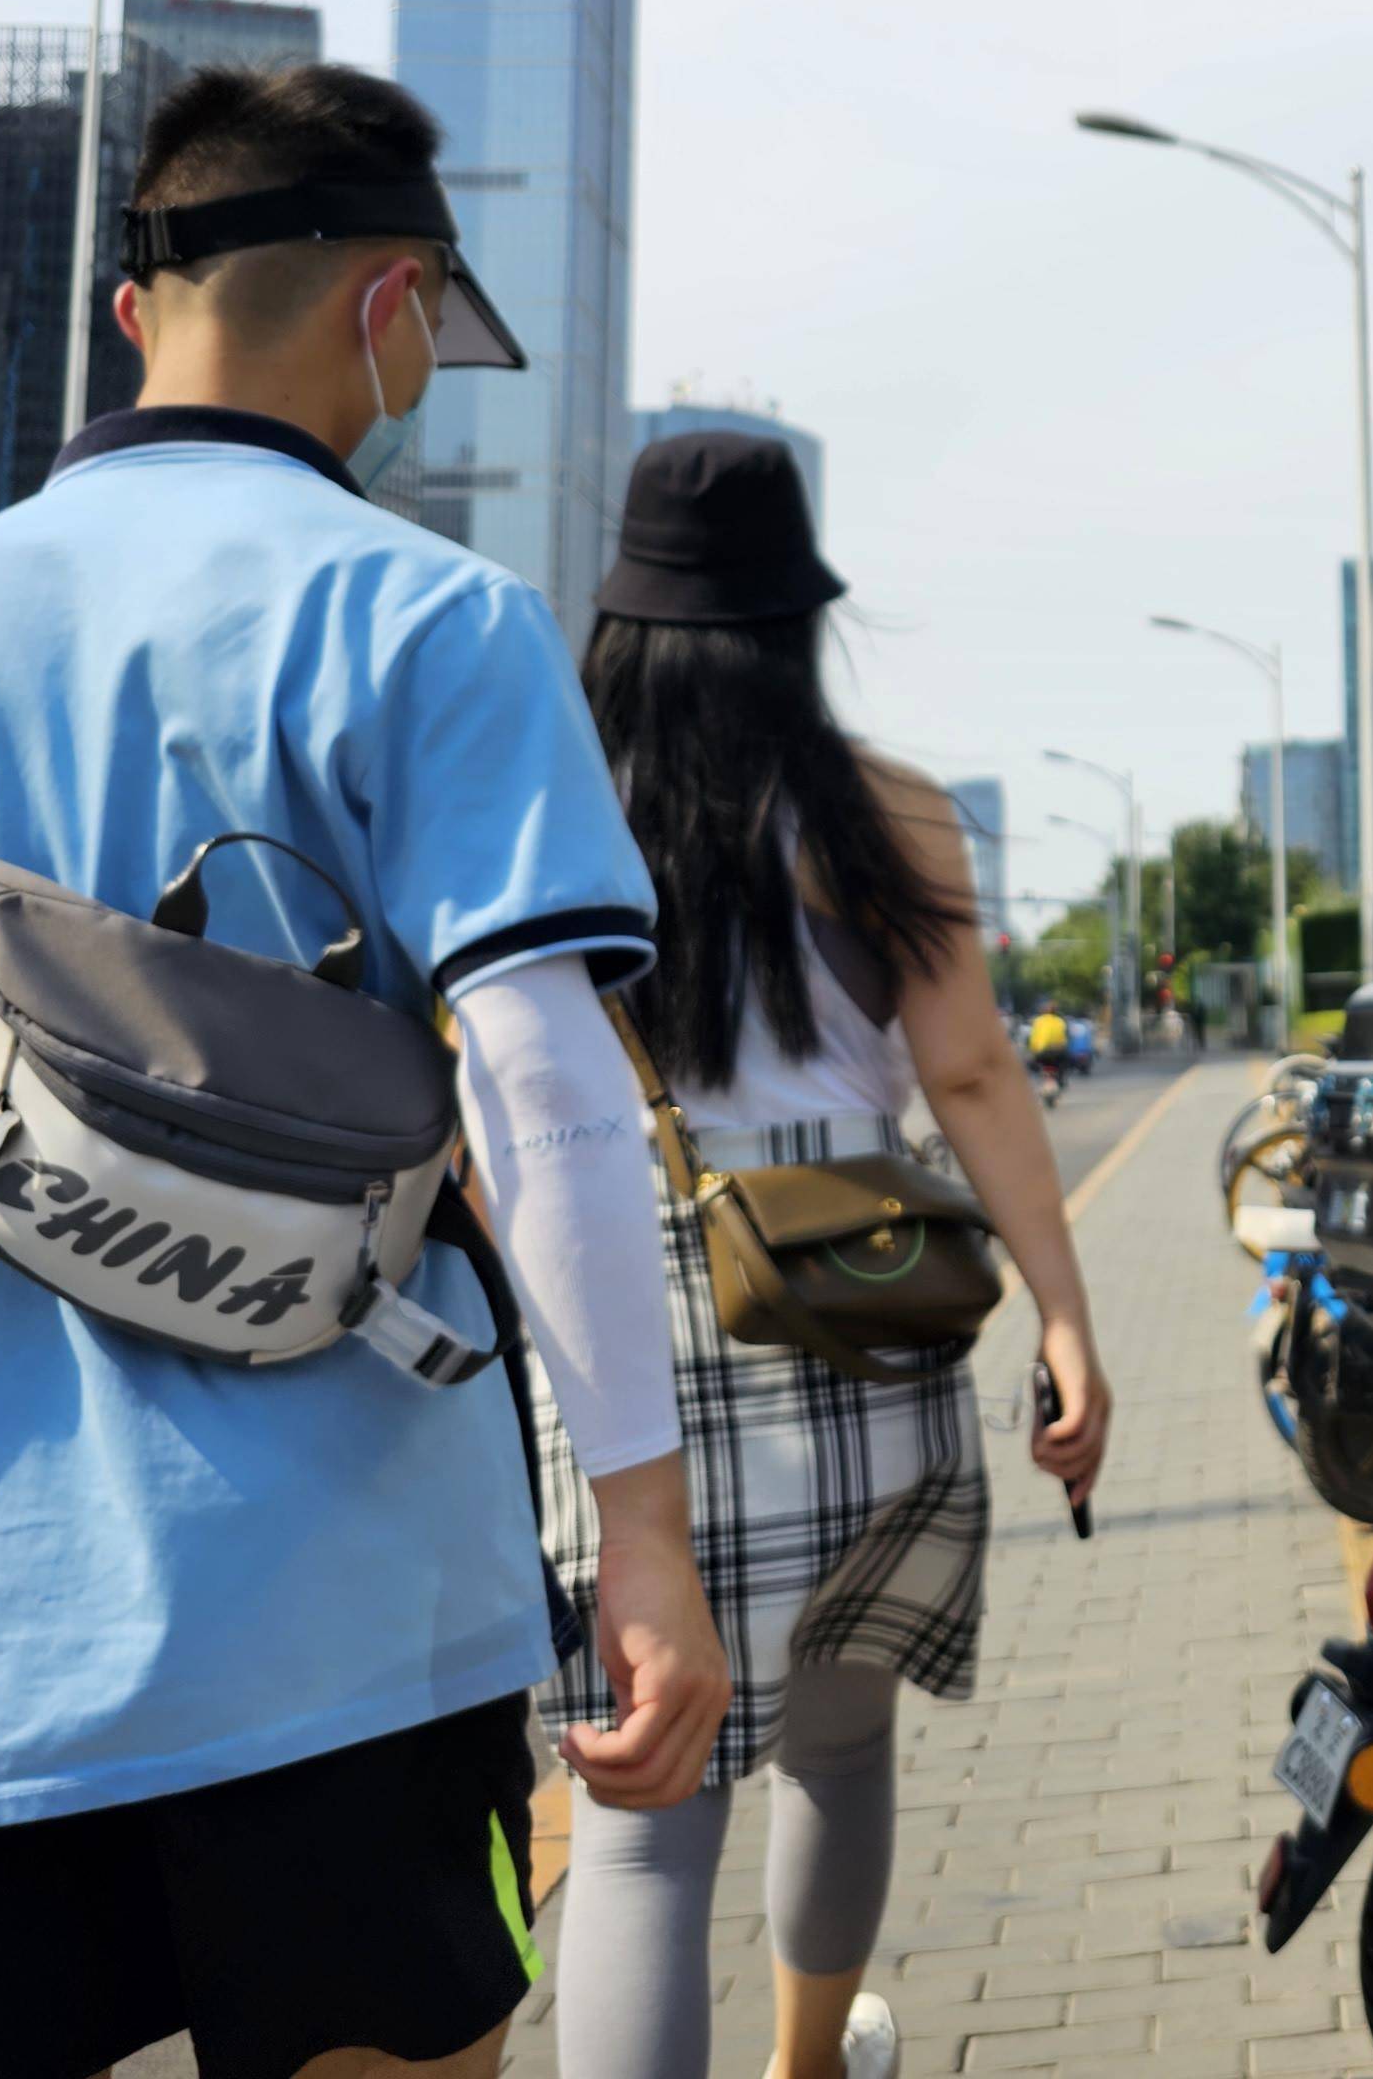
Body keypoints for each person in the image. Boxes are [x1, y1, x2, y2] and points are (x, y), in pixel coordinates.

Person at [0, 61, 727, 2079]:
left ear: (130, 314)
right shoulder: (428, 619)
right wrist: (648, 1547)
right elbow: (546, 1100)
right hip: (349, 1635)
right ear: (389, 308)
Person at [538, 432, 1112, 2079]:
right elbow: (977, 1077)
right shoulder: (890, 814)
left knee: (643, 1818)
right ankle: (805, 2068)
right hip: (865, 1289)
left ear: (621, 621)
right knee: (838, 1751)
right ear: (798, 618)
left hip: (628, 1311)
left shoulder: (549, 810)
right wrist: (1069, 1321)